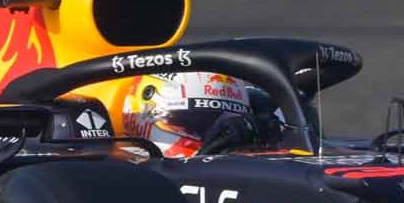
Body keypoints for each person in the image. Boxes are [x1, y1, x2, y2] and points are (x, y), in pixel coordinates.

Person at [119, 71, 282, 157]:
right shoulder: (117, 166)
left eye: (222, 124)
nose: (217, 134)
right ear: (146, 107)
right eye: (197, 122)